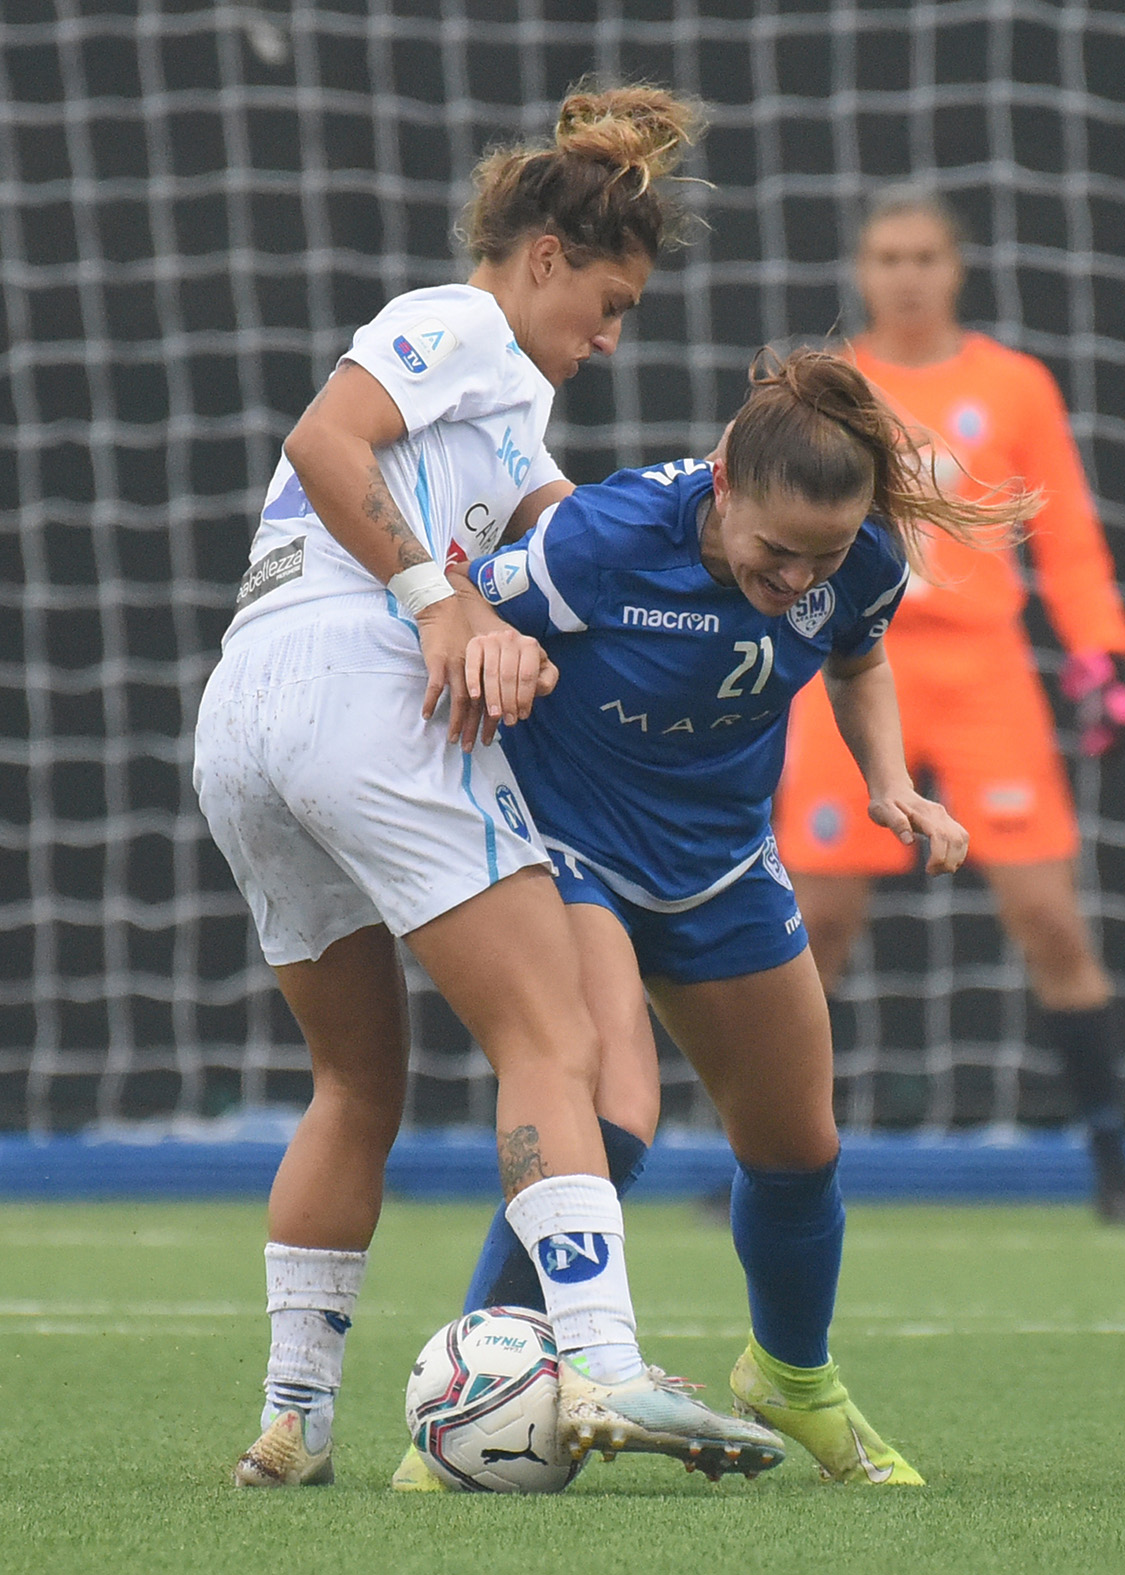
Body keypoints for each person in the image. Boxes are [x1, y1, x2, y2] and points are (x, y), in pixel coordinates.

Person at [195, 84, 786, 1487]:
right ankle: (607, 1364)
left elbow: (582, 541)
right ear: (543, 257)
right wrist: (440, 603)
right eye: (609, 301)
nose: (611, 334)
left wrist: (749, 528)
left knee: (355, 1080)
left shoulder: (509, 416)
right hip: (351, 683)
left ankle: (296, 1418)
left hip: (243, 719)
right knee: (553, 1031)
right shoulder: (458, 323)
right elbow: (323, 441)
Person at [398, 347, 1024, 1490]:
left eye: (822, 555)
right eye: (776, 550)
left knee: (797, 1149)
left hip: (722, 859)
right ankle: (468, 1412)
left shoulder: (863, 560)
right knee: (615, 1109)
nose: (798, 577)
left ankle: (791, 1378)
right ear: (725, 483)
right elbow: (457, 607)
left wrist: (889, 783)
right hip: (569, 846)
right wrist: (493, 653)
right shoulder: (604, 539)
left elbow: (858, 659)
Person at [772, 187, 1125, 1220]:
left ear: (957, 268)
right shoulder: (827, 385)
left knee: (1048, 916)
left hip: (984, 670)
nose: (906, 276)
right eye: (888, 257)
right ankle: (766, 1155)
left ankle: (1113, 1163)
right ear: (862, 270)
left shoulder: (1013, 386)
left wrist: (1103, 656)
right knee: (813, 921)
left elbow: (1065, 535)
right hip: (849, 665)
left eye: (925, 257)